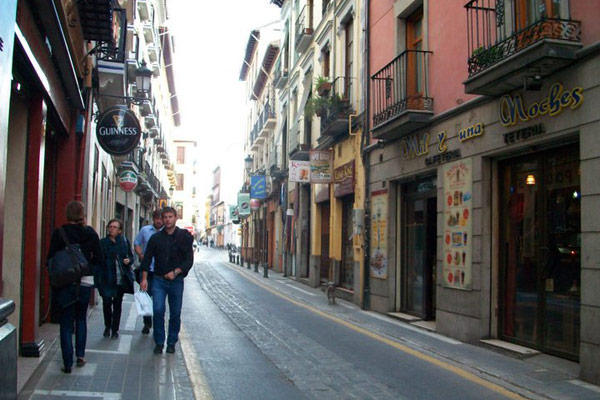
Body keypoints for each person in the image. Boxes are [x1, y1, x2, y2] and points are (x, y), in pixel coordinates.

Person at [47, 201, 102, 373]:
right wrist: (87, 267)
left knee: (66, 322)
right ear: (82, 215)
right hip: (85, 281)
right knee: (81, 319)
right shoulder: (90, 233)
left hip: (65, 282)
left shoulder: (59, 233)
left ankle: (67, 362)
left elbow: (50, 259)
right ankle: (80, 356)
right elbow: (99, 258)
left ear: (67, 214)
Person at [140, 207, 193, 354]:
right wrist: (144, 279)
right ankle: (159, 342)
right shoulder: (156, 238)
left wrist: (176, 272)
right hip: (158, 280)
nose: (168, 220)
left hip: (176, 281)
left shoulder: (184, 236)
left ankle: (171, 342)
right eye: (165, 217)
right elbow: (147, 258)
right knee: (158, 310)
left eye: (170, 217)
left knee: (175, 312)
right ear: (162, 219)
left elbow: (189, 260)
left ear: (176, 218)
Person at [98, 218, 134, 339]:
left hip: (120, 279)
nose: (112, 229)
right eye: (110, 227)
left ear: (120, 230)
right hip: (107, 278)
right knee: (107, 303)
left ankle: (115, 330)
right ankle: (107, 326)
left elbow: (131, 256)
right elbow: (98, 261)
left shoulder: (124, 242)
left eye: (115, 227)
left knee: (117, 304)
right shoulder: (103, 243)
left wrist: (128, 260)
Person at [134, 210, 163, 334]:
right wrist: (140, 254)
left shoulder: (166, 233)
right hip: (146, 269)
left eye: (161, 218)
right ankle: (147, 323)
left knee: (157, 300)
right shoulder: (145, 230)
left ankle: (156, 324)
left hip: (159, 271)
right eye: (157, 218)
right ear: (153, 218)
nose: (159, 221)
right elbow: (137, 243)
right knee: (145, 298)